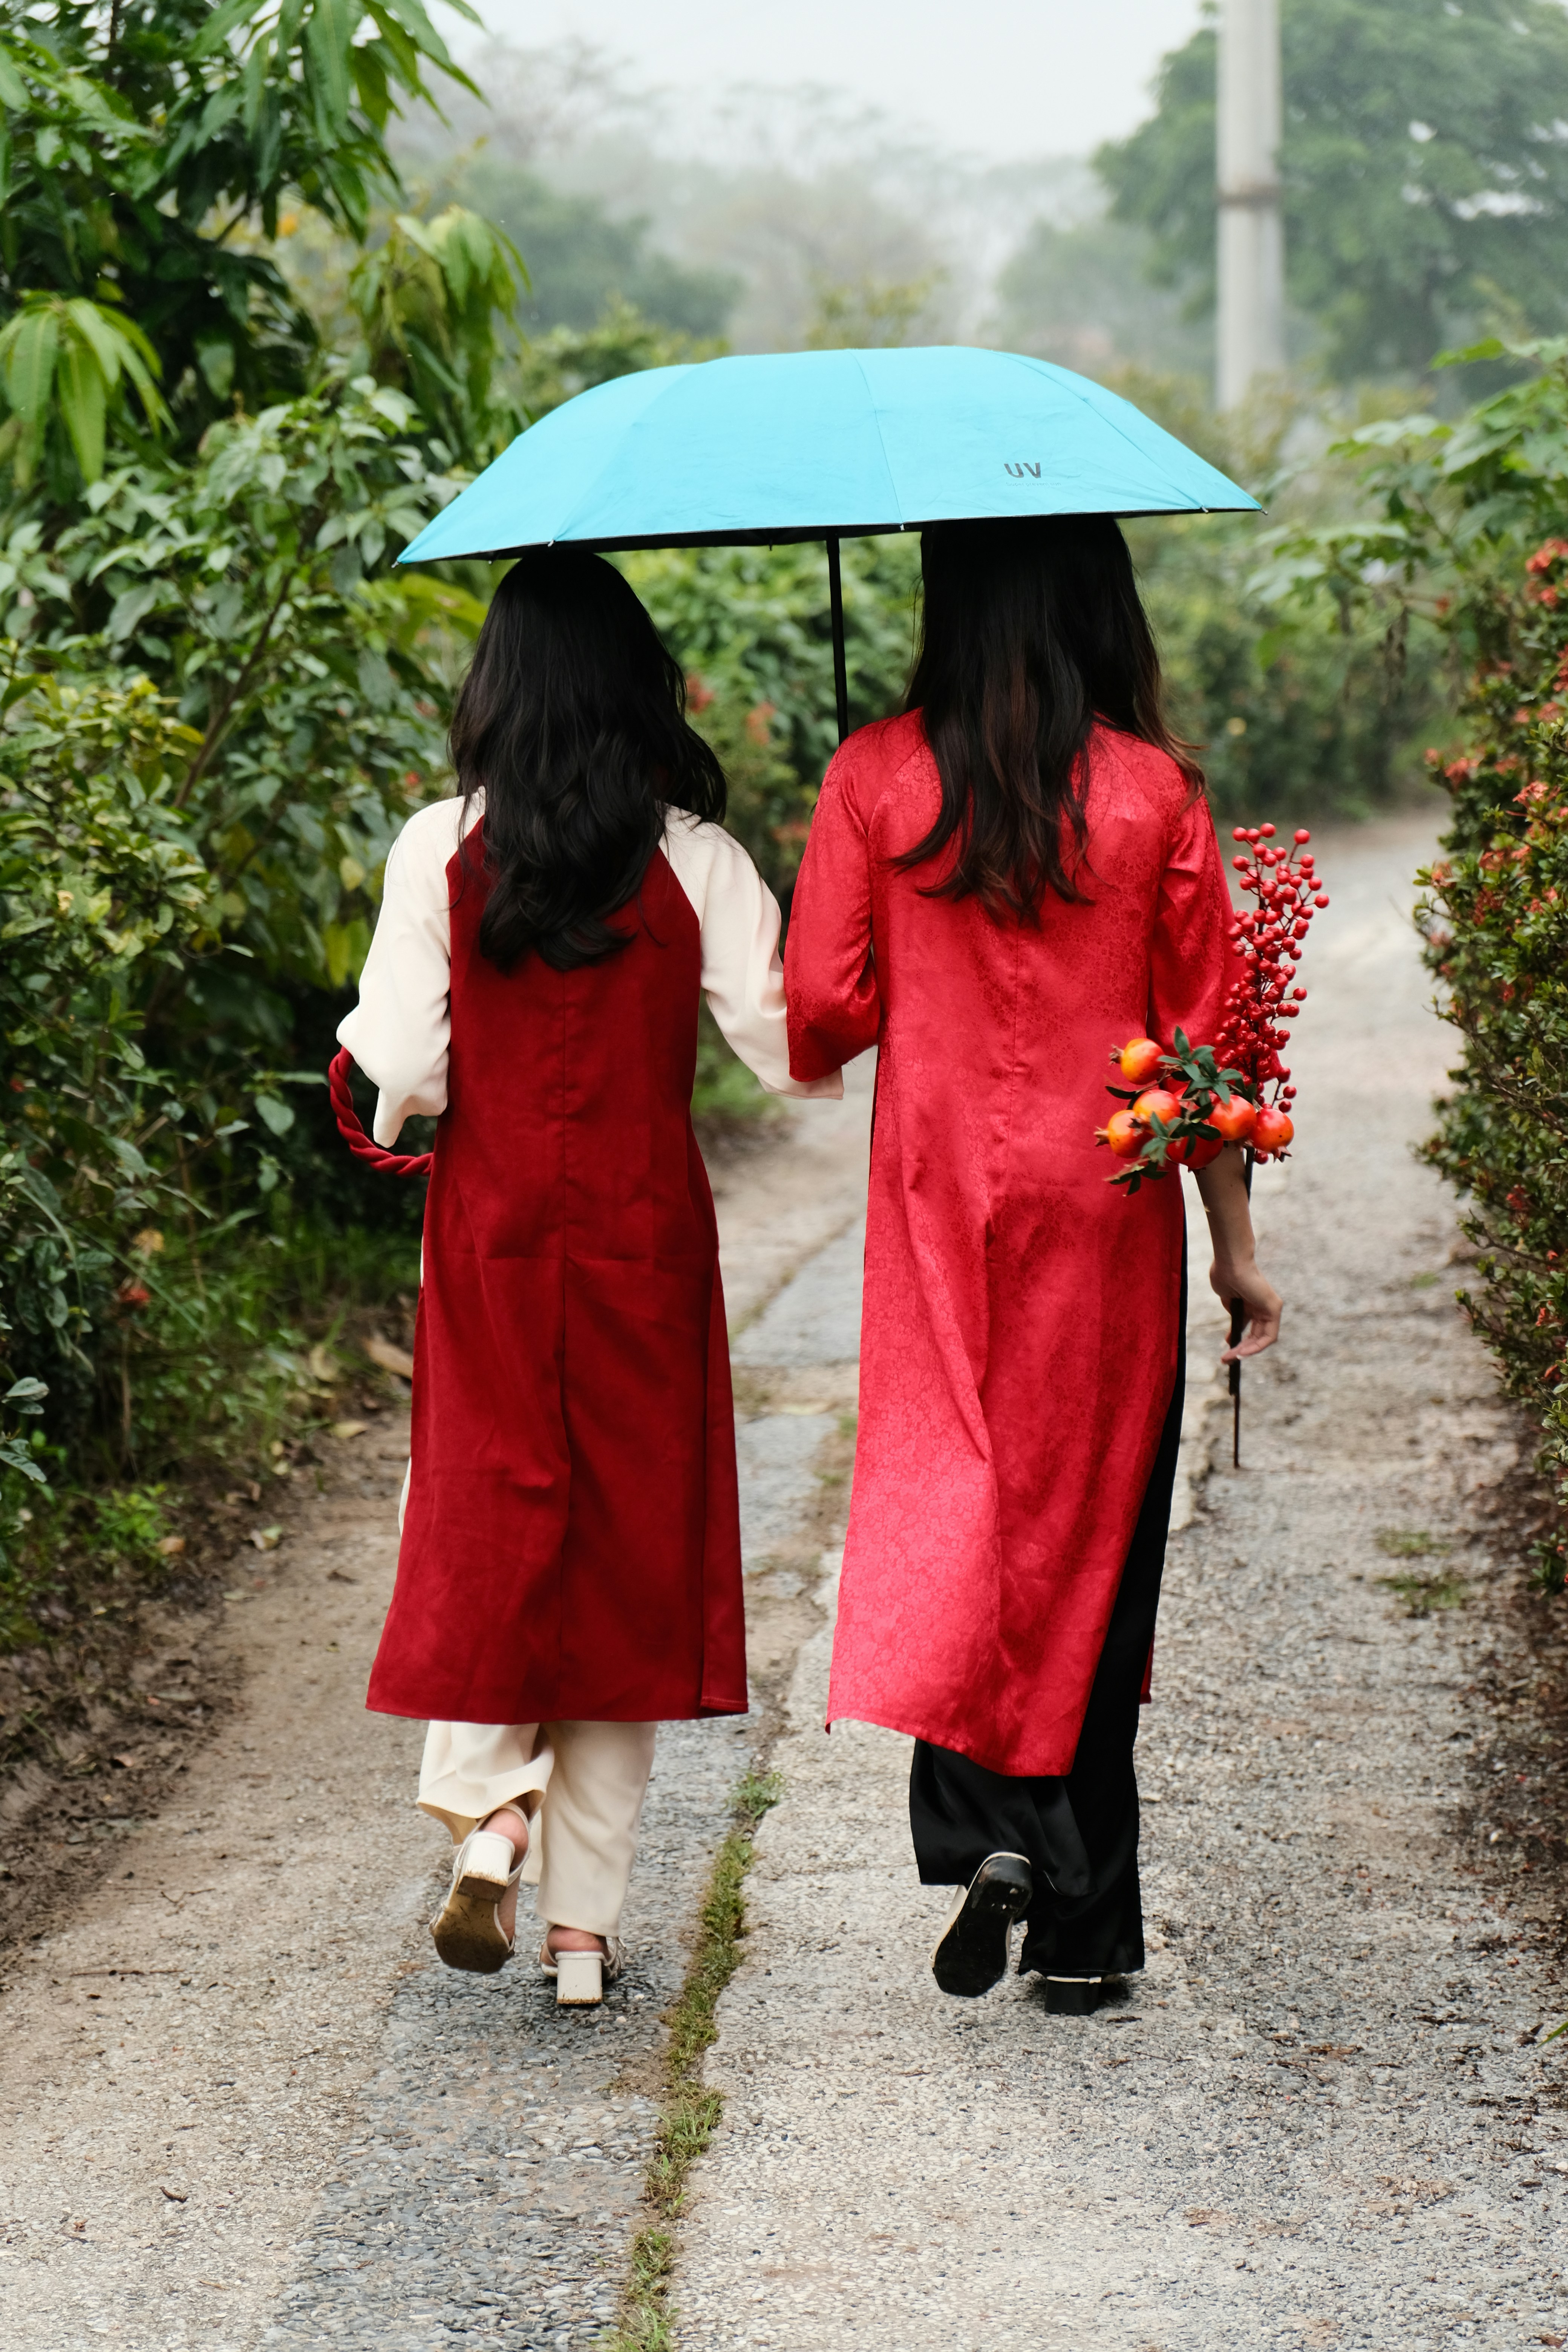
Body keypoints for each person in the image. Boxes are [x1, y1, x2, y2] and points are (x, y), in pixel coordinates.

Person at [784, 515, 1281, 2013]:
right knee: (1087, 1545)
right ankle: (1080, 1926)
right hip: (1104, 1216)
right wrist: (1236, 1258)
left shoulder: (875, 775)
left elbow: (823, 1002)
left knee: (958, 1509)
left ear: (944, 598)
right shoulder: (1154, 797)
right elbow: (1205, 1059)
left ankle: (981, 1829)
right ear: (1096, 601)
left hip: (939, 1212)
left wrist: (864, 846)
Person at [339, 548, 838, 2006]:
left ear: (494, 689)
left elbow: (411, 1071)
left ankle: (491, 1809)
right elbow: (791, 1047)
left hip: (493, 1240)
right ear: (643, 689)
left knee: (487, 1519)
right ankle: (580, 1938)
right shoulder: (694, 855)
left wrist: (376, 1094)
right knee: (625, 1556)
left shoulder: (441, 844)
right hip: (645, 1241)